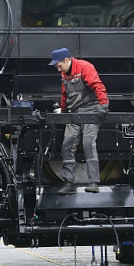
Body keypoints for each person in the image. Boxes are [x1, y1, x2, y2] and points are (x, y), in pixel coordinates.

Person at [49, 48, 109, 195]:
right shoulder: (65, 73)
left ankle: (93, 182)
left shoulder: (85, 67)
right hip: (74, 113)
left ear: (67, 60)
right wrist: (63, 113)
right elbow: (65, 95)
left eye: (59, 65)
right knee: (67, 146)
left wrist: (103, 106)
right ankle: (69, 183)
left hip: (90, 111)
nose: (58, 69)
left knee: (88, 144)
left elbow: (98, 86)